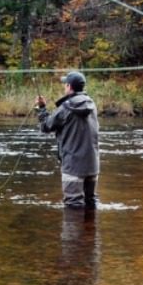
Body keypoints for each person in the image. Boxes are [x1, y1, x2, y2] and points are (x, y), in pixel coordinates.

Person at [36, 71, 100, 209]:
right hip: (92, 166)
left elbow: (46, 126)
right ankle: (91, 230)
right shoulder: (92, 104)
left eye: (65, 84)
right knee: (90, 202)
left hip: (73, 166)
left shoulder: (66, 107)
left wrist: (42, 108)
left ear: (69, 87)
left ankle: (74, 231)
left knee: (73, 207)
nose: (64, 87)